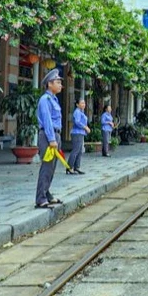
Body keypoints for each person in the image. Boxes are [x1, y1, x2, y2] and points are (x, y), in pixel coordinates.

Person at [35, 69, 64, 209]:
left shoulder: (54, 99)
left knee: (52, 167)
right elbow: (47, 121)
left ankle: (47, 193)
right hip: (48, 136)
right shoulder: (45, 100)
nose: (60, 85)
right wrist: (52, 139)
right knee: (46, 167)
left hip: (55, 135)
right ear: (49, 84)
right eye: (58, 82)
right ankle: (40, 198)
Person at [67, 99, 90, 175]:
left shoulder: (81, 112)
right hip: (77, 133)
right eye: (82, 103)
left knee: (80, 151)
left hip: (81, 133)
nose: (84, 104)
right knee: (76, 150)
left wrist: (86, 128)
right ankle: (69, 168)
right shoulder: (77, 112)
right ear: (77, 104)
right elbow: (77, 122)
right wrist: (85, 127)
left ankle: (77, 167)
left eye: (84, 103)